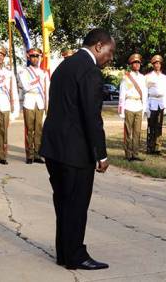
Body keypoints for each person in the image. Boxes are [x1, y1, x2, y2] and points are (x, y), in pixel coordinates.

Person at [40, 28, 114, 269]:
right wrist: (101, 154)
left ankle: (64, 252)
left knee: (63, 203)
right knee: (76, 204)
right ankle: (75, 256)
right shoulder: (89, 70)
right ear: (99, 46)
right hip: (75, 152)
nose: (110, 58)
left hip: (54, 148)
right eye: (110, 52)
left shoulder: (65, 65)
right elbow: (91, 117)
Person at [18, 48, 50, 164]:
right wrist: (37, 81)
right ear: (29, 58)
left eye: (37, 56)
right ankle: (29, 155)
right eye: (33, 56)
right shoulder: (24, 72)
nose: (35, 59)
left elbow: (47, 90)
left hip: (40, 102)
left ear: (40, 58)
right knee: (29, 129)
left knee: (39, 130)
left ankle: (37, 154)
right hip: (29, 101)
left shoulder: (44, 73)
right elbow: (26, 87)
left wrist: (47, 105)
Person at [118, 53, 148, 161]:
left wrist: (144, 108)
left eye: (138, 62)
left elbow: (144, 93)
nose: (137, 64)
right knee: (128, 132)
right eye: (135, 63)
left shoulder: (143, 78)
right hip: (129, 105)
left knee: (137, 132)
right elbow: (122, 94)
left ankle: (135, 154)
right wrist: (121, 111)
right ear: (131, 64)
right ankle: (128, 154)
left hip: (138, 106)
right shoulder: (126, 77)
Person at [145, 54, 166, 154]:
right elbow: (145, 92)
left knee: (159, 126)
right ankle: (150, 147)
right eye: (155, 63)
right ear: (153, 65)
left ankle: (158, 147)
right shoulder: (148, 77)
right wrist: (146, 107)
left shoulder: (164, 77)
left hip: (161, 103)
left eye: (159, 63)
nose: (157, 65)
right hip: (152, 102)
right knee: (151, 126)